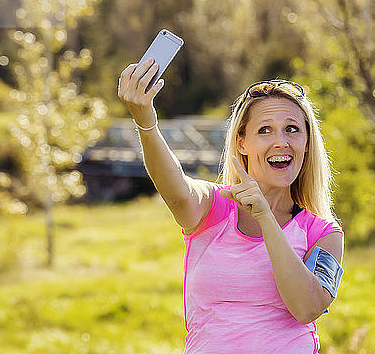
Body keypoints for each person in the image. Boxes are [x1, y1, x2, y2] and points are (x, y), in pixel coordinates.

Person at [118, 58, 344, 353]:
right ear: (241, 143)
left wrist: (265, 217)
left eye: (292, 129)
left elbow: (306, 307)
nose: (281, 142)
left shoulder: (322, 231)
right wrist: (146, 121)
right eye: (265, 130)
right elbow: (175, 189)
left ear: (306, 142)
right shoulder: (215, 206)